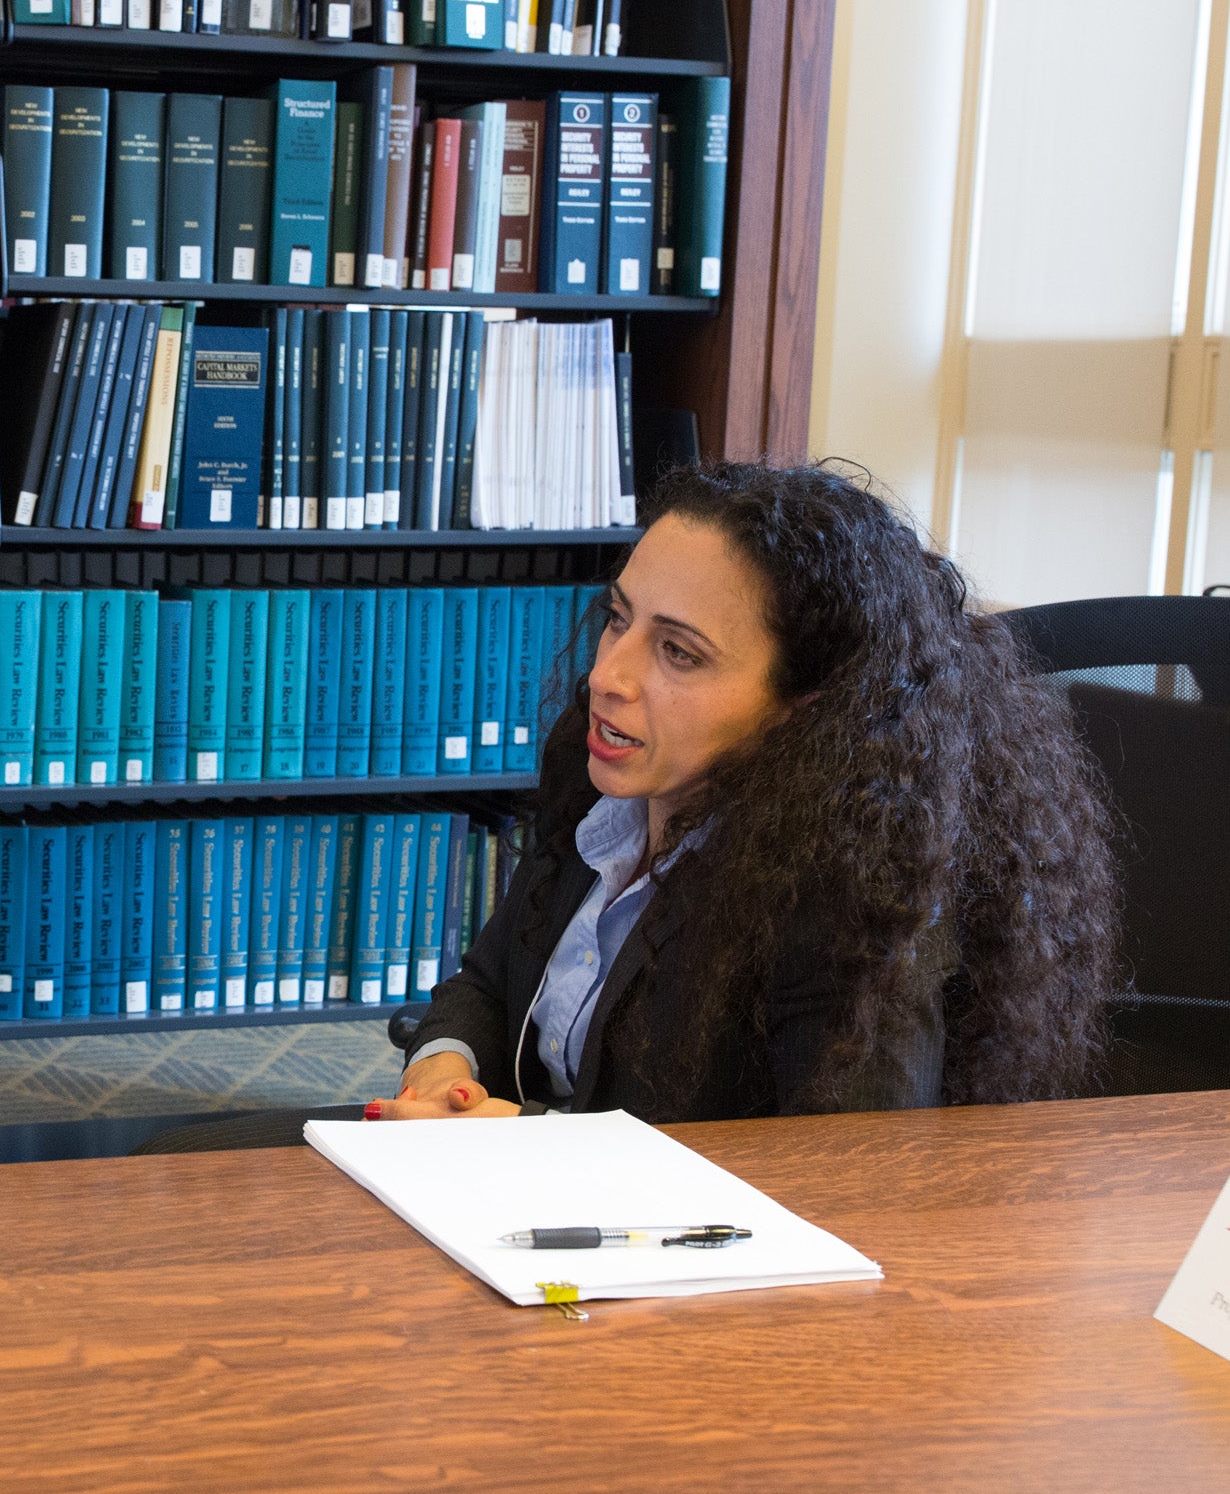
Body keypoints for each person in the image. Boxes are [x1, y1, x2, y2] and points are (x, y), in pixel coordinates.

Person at [370, 461, 1119, 1123]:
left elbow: (849, 1175)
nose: (606, 677)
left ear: (808, 705)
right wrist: (445, 1067)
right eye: (618, 620)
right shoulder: (616, 792)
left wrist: (529, 1146)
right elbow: (492, 980)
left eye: (679, 653)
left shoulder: (854, 893)